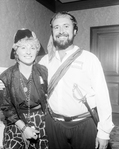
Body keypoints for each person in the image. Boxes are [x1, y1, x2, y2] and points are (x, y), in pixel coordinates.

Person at [39, 11, 114, 149]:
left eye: (66, 26)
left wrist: (104, 132)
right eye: (56, 27)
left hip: (84, 124)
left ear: (75, 30)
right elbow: (34, 89)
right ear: (52, 32)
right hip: (54, 124)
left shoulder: (89, 59)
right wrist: (8, 83)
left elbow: (102, 96)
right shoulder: (44, 61)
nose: (61, 31)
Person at [0, 28, 48, 149]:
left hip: (41, 120)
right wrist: (24, 128)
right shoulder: (6, 76)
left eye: (32, 47)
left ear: (37, 51)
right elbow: (7, 108)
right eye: (23, 47)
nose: (28, 52)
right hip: (16, 121)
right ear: (16, 51)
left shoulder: (44, 72)